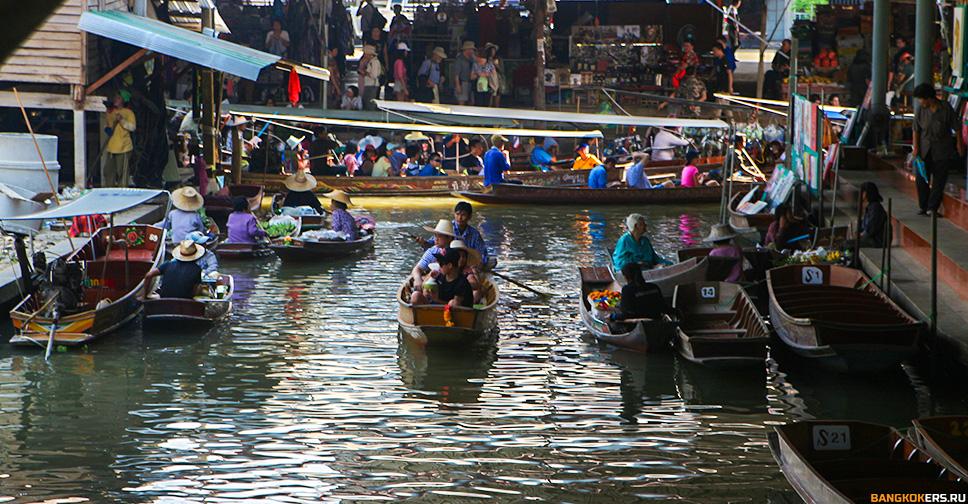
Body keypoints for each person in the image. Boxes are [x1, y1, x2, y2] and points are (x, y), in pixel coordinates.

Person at [912, 83, 963, 216]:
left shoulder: (945, 108)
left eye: (921, 99)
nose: (920, 101)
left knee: (939, 180)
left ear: (929, 98)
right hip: (924, 149)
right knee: (921, 179)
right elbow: (916, 129)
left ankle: (932, 208)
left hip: (942, 150)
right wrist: (916, 147)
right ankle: (923, 206)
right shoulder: (921, 110)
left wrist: (959, 144)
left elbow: (957, 127)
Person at [418, 201, 491, 266]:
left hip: (467, 265)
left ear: (469, 216)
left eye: (463, 215)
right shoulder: (447, 228)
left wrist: (479, 264)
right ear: (454, 214)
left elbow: (483, 254)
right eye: (457, 214)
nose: (460, 218)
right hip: (448, 264)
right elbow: (434, 243)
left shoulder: (475, 234)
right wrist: (424, 243)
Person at [410, 248, 474, 308]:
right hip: (435, 306)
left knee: (453, 303)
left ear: (449, 266)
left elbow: (456, 305)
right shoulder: (439, 275)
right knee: (416, 296)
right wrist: (430, 278)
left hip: (456, 313)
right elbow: (423, 288)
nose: (439, 266)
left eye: (441, 264)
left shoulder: (462, 283)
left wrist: (436, 299)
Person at [143, 240, 207, 300]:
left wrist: (145, 295)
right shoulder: (197, 269)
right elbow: (195, 291)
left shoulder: (167, 264)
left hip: (164, 300)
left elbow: (148, 275)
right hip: (185, 302)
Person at [411, 218, 456, 291]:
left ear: (449, 238)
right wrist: (417, 279)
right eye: (435, 235)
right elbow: (417, 269)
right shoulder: (433, 250)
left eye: (440, 236)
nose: (436, 239)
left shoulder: (456, 251)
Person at [103, 93, 136, 187]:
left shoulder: (128, 112)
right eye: (115, 97)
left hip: (124, 147)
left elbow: (132, 127)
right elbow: (107, 124)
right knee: (108, 171)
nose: (115, 100)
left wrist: (122, 120)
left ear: (123, 100)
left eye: (118, 98)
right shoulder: (110, 112)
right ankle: (109, 191)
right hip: (111, 147)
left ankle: (123, 191)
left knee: (122, 172)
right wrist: (107, 129)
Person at [859, 181, 887, 247]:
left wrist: (862, 235)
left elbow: (872, 227)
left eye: (863, 192)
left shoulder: (875, 208)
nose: (861, 194)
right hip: (871, 238)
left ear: (867, 193)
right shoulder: (870, 206)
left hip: (876, 240)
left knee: (848, 244)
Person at [359, 45, 383, 111]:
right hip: (368, 84)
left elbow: (374, 75)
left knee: (370, 104)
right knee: (366, 102)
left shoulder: (374, 62)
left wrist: (365, 73)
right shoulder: (370, 62)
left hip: (372, 85)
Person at [455, 41, 476, 105]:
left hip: (471, 83)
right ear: (467, 50)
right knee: (462, 101)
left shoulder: (472, 59)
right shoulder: (459, 59)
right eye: (471, 49)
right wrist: (458, 85)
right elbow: (456, 74)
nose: (473, 51)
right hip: (462, 83)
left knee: (471, 102)